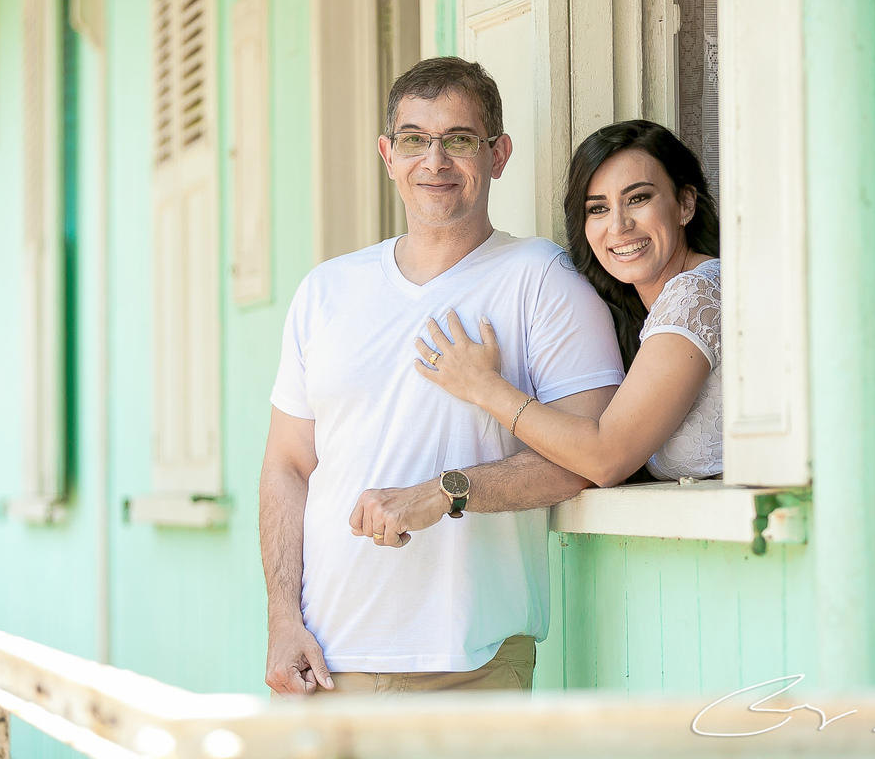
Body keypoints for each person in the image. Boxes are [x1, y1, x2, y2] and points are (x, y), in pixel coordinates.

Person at [259, 57, 625, 696]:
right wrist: (281, 618)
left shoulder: (543, 281)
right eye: (414, 140)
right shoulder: (325, 291)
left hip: (469, 666)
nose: (435, 162)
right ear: (387, 154)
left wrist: (446, 491)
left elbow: (589, 454)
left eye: (459, 140)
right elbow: (288, 465)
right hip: (322, 667)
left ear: (498, 154)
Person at [416, 120, 722, 486]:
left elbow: (606, 458)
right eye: (597, 209)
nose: (619, 225)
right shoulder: (646, 312)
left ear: (685, 204)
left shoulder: (696, 295)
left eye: (638, 198)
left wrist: (484, 386)